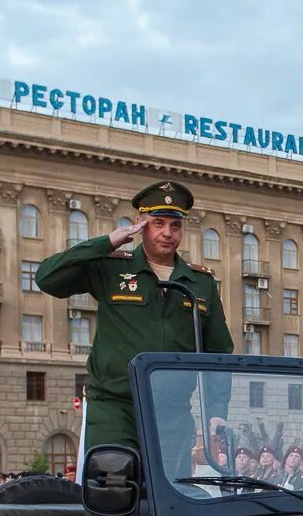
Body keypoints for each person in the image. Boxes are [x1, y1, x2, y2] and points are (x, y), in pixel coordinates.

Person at [34, 180, 231, 461]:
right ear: (140, 223)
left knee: (170, 498)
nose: (167, 233)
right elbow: (47, 278)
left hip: (172, 414)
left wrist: (216, 411)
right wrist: (106, 242)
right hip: (115, 408)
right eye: (158, 223)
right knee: (113, 491)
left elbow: (218, 352)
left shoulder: (200, 283)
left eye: (175, 226)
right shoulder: (112, 267)